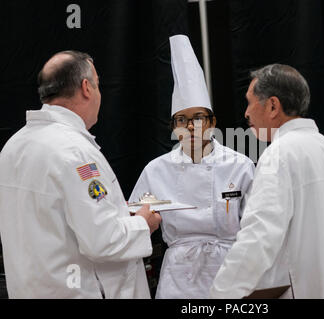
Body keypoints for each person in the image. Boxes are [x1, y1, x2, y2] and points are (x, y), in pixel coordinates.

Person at [0, 50, 162, 298]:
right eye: (98, 85)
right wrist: (143, 223)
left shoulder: (13, 145)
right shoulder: (74, 150)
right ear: (86, 87)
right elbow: (102, 241)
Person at [209, 64, 324, 299]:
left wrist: (221, 295)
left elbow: (259, 236)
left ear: (272, 105)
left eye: (250, 102)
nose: (246, 113)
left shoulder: (279, 155)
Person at [129, 35, 255, 299]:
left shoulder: (239, 166)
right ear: (174, 127)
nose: (190, 126)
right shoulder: (156, 170)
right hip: (179, 277)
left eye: (198, 118)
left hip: (229, 270)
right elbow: (133, 223)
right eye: (181, 119)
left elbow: (256, 227)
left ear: (212, 122)